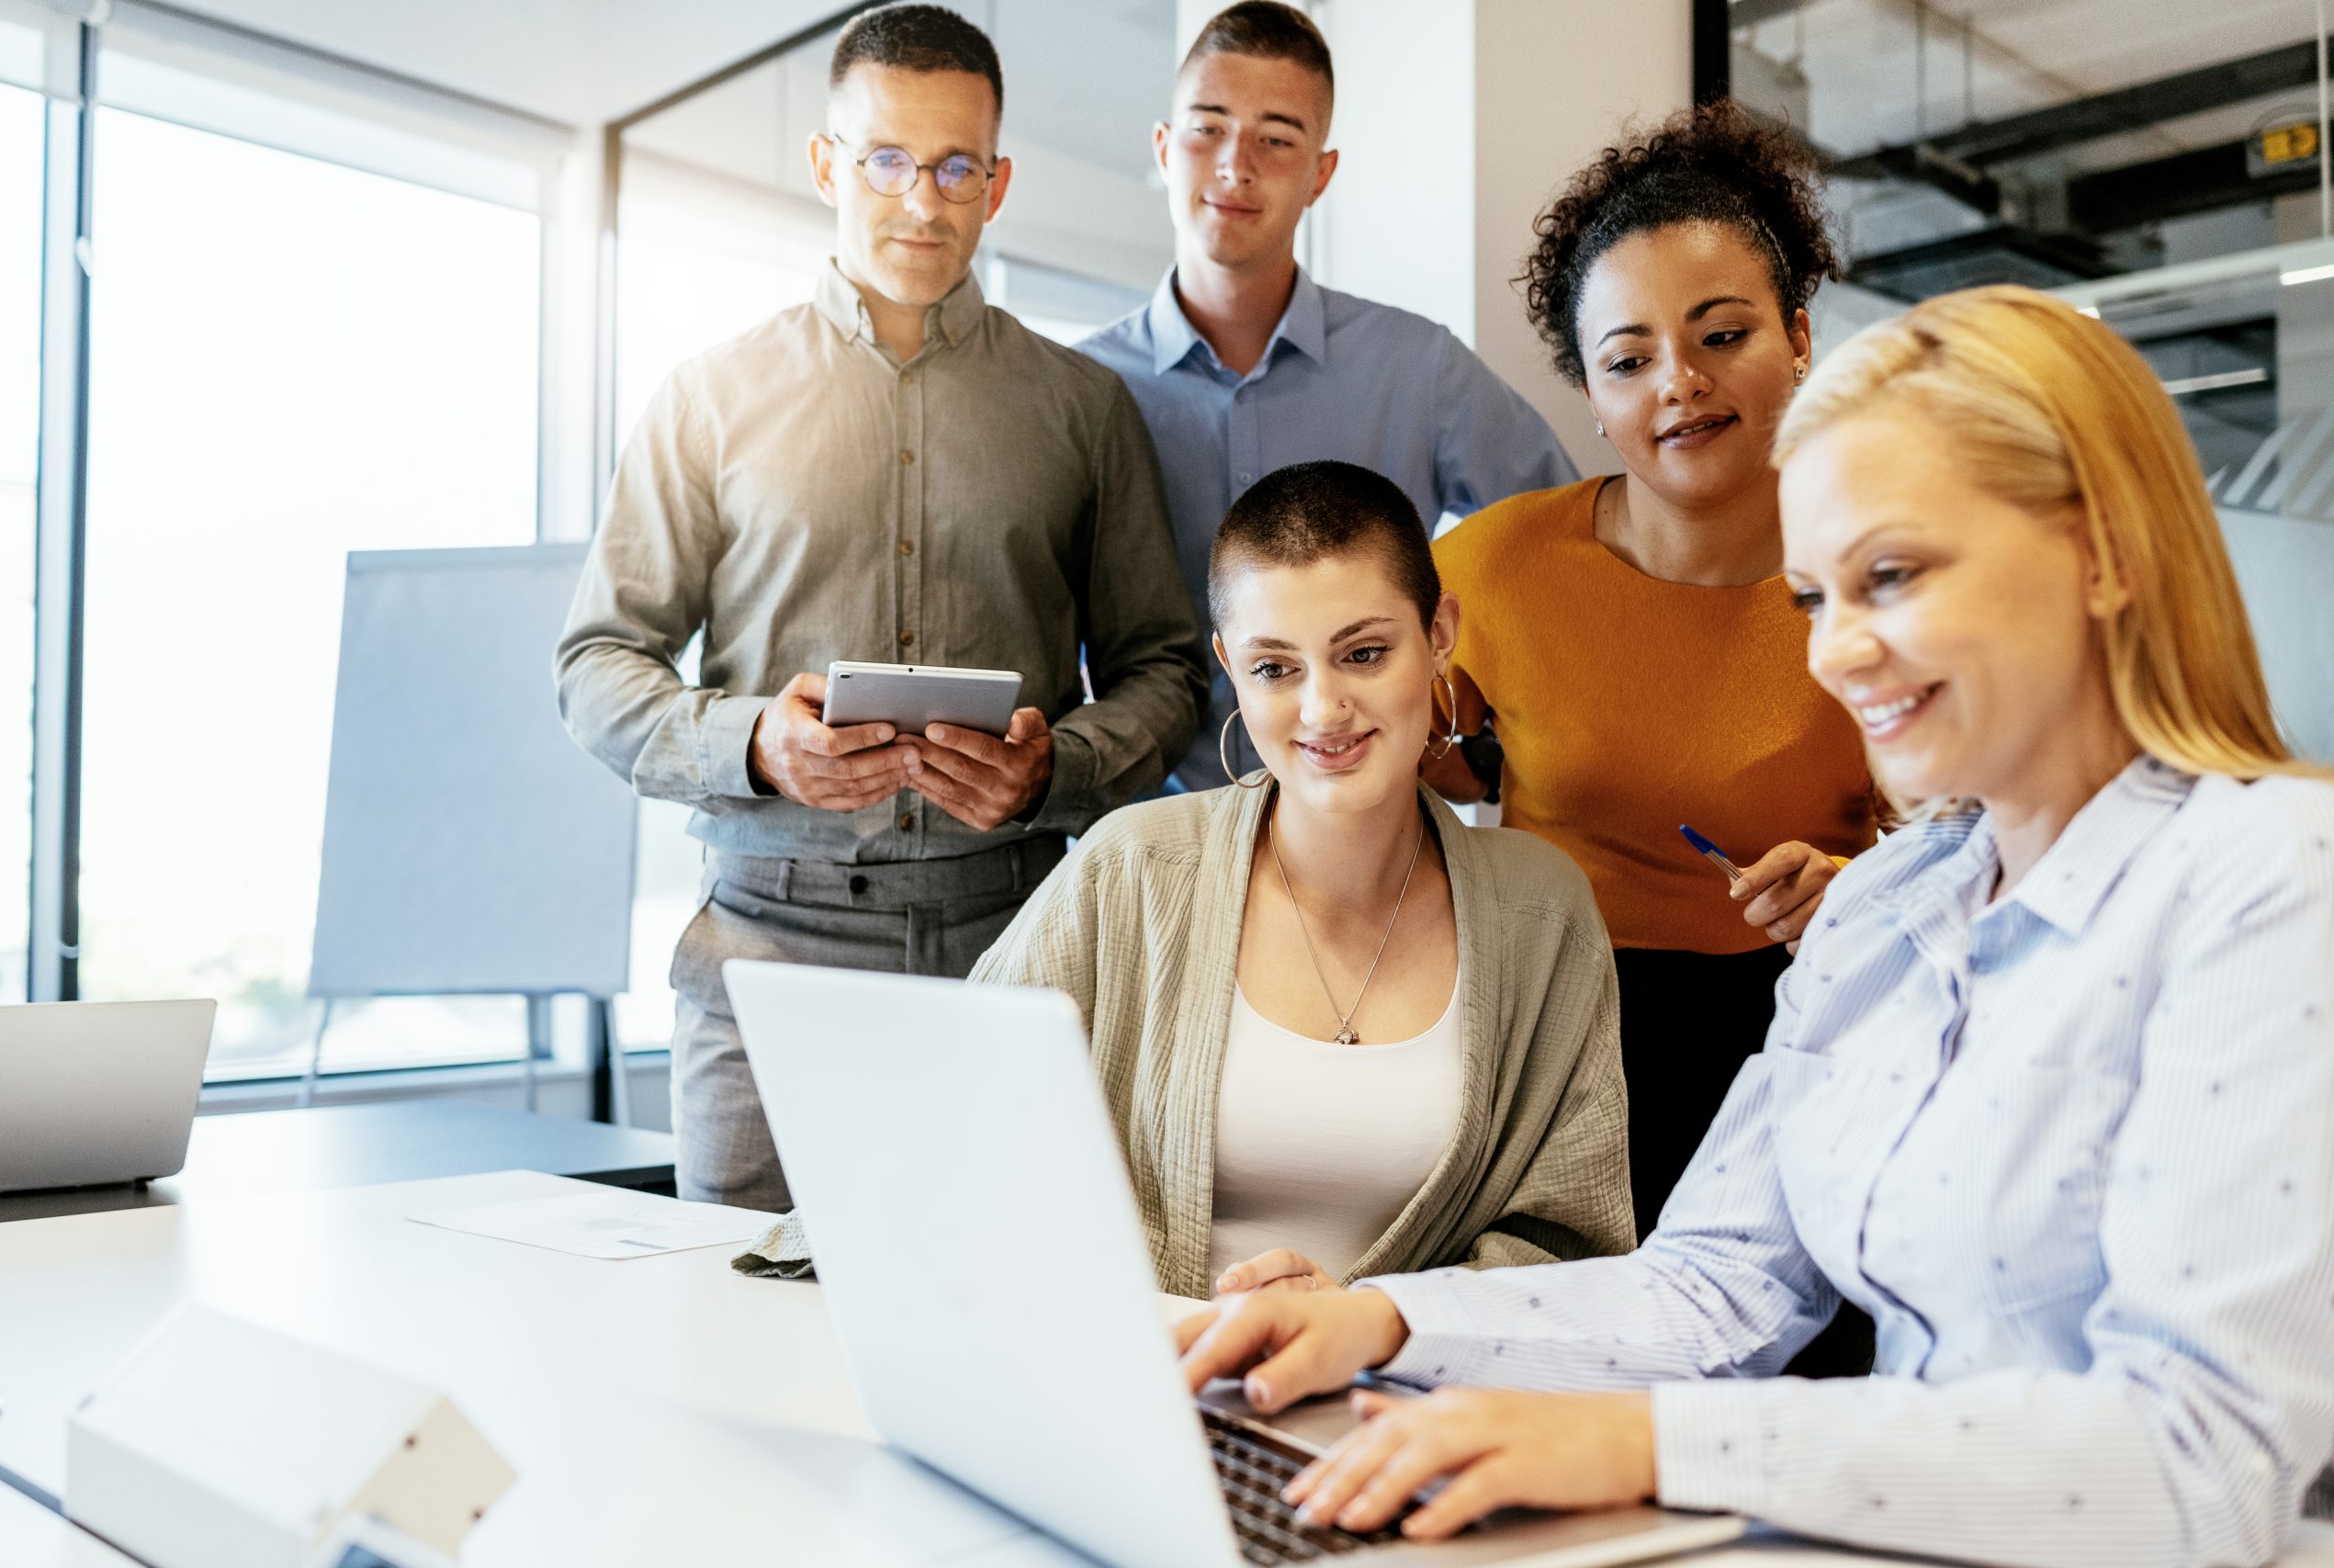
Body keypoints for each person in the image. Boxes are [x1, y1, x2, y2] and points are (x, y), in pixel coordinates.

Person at [1173, 286, 2334, 1568]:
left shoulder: (2272, 877)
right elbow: (1716, 1284)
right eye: (1812, 600)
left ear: (2104, 552)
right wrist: (1380, 1322)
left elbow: (2207, 1462)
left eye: (1888, 576)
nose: (1837, 653)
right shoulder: (1891, 905)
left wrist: (1655, 1445)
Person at [555, 5, 1204, 1211]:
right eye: (887, 160)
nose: (923, 199)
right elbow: (597, 663)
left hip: (1012, 944)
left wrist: (1053, 768)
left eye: (958, 165)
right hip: (762, 953)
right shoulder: (707, 399)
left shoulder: (1081, 409)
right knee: (729, 1335)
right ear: (825, 166)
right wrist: (753, 739)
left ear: (999, 182)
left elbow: (1167, 666)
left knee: (994, 1332)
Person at [968, 461, 1632, 1299]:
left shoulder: (1543, 911)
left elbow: (1575, 1248)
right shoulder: (1129, 868)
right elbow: (956, 1132)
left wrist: (1371, 1321)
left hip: (1407, 1414)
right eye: (1275, 668)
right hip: (1149, 1392)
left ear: (1440, 634)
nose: (1324, 710)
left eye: (1363, 653)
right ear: (1228, 666)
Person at [1422, 102, 1877, 1246]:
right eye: (1627, 359)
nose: (1679, 383)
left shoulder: (1886, 565)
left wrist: (1856, 888)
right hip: (1558, 1044)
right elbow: (1388, 760)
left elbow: (1977, 838)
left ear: (1800, 338)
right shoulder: (1489, 571)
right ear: (1590, 390)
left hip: (1818, 1036)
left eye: (1723, 335)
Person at [1074, 2, 1576, 793]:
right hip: (1155, 837)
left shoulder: (1418, 365)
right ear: (1165, 150)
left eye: (1277, 138)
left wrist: (1462, 720)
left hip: (1371, 832)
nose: (1236, 166)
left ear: (1322, 174)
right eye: (1208, 128)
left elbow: (1562, 535)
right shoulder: (1085, 387)